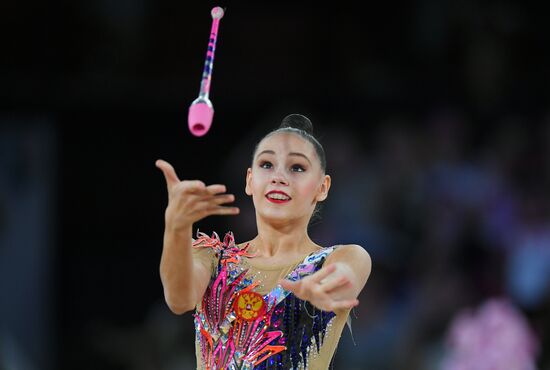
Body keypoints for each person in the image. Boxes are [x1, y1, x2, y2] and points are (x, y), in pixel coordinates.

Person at [155, 114, 372, 369]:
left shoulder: (341, 257)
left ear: (322, 188)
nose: (278, 177)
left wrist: (326, 287)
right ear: (249, 181)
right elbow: (179, 299)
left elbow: (344, 278)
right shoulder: (213, 257)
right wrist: (177, 228)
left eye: (297, 168)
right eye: (267, 164)